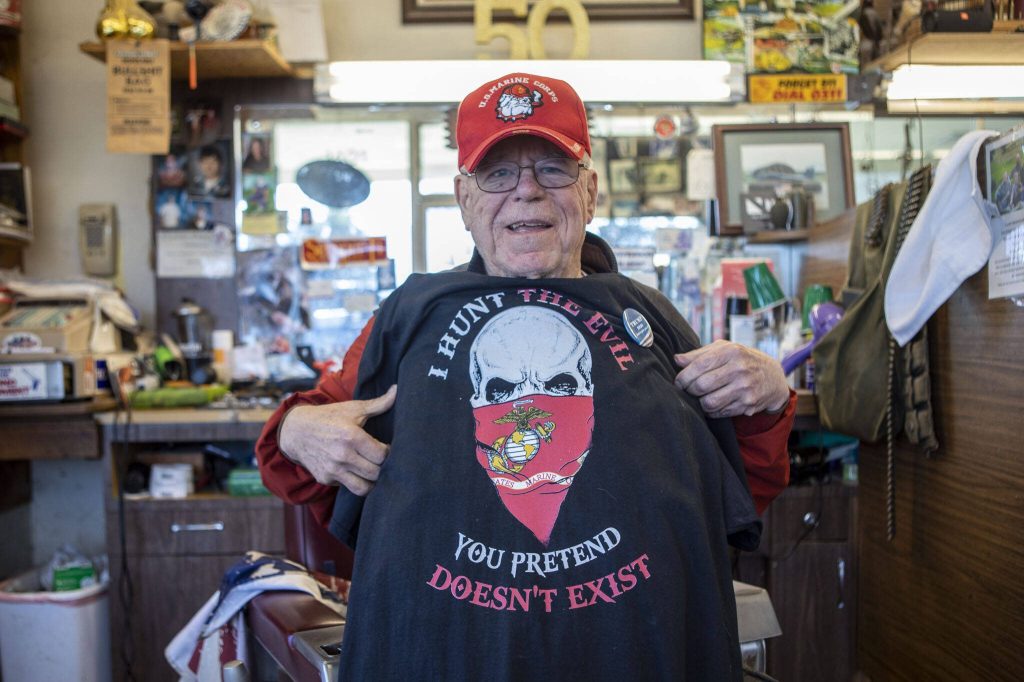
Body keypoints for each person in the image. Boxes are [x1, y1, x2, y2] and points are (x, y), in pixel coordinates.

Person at [256, 72, 795, 680]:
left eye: (553, 170)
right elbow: (295, 465)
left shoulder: (650, 321)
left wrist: (768, 398)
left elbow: (737, 492)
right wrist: (297, 428)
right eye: (498, 174)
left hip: (629, 654)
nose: (527, 193)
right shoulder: (409, 322)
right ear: (465, 199)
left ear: (590, 192)